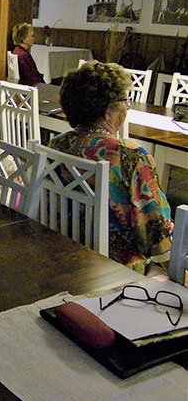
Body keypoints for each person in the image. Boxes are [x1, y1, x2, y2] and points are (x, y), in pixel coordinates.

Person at [49, 61, 174, 274]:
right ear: (108, 111)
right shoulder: (130, 156)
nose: (127, 107)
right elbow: (154, 230)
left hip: (64, 249)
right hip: (113, 265)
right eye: (125, 101)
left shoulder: (57, 144)